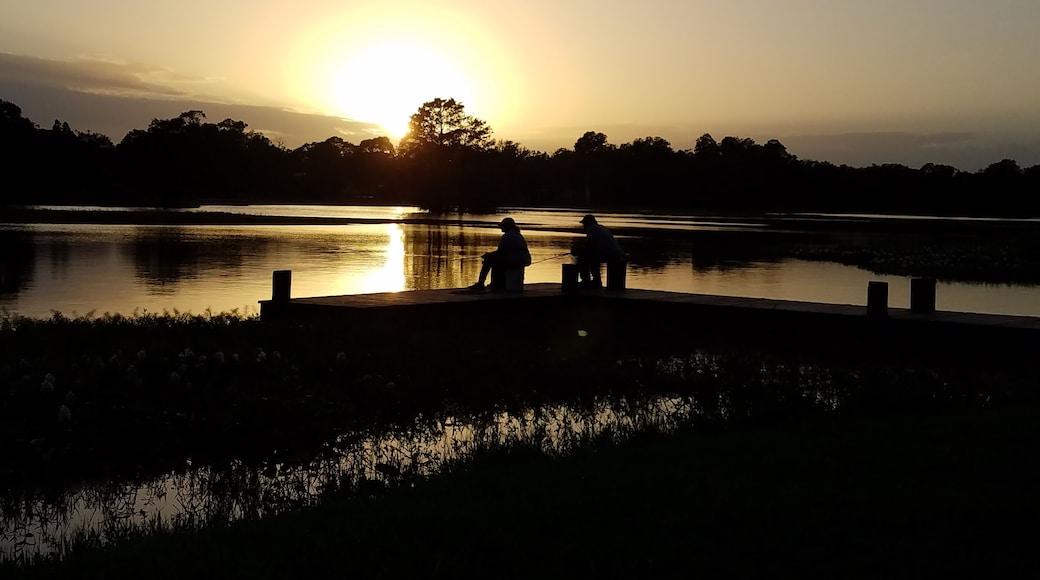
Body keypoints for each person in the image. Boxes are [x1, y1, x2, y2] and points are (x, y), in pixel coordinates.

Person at [463, 217, 532, 291]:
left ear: (506, 226)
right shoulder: (517, 234)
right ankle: (496, 284)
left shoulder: (507, 236)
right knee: (495, 260)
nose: (501, 228)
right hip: (523, 259)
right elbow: (503, 252)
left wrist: (488, 255)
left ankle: (481, 283)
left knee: (488, 260)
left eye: (502, 226)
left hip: (515, 260)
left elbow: (500, 252)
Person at [575, 214, 623, 287]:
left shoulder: (592, 229)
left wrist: (577, 250)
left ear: (588, 223)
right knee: (590, 255)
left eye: (584, 223)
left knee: (583, 257)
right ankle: (595, 280)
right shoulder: (601, 228)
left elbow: (588, 246)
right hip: (616, 253)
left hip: (609, 254)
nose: (583, 226)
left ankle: (586, 280)